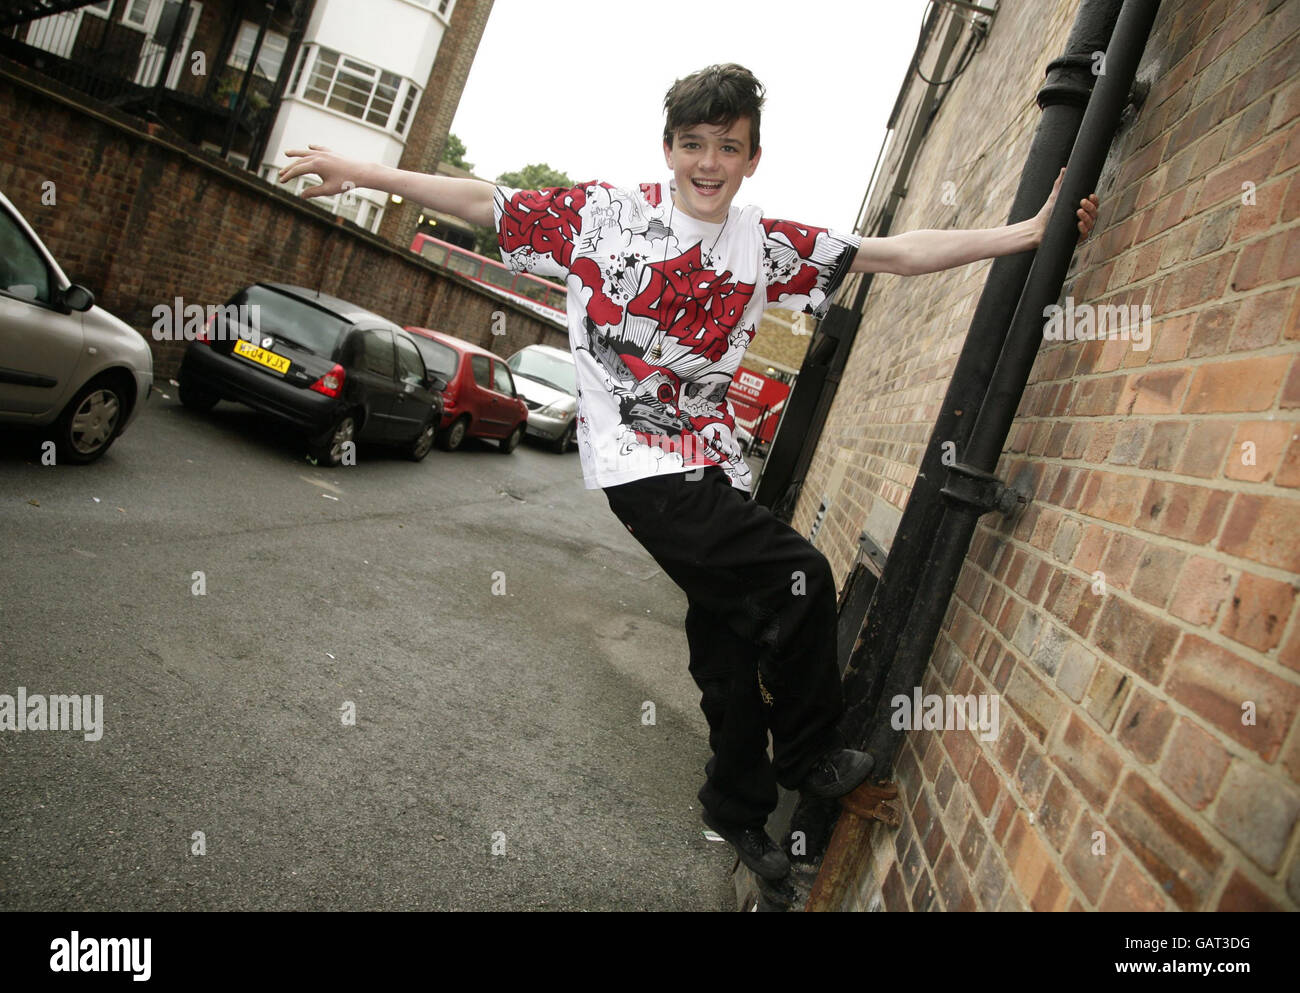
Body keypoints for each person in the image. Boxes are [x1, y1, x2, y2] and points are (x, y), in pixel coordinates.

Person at [279, 63, 1099, 883]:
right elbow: (478, 199)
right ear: (668, 148)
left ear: (753, 157)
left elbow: (899, 252)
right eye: (694, 144)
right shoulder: (605, 217)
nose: (708, 163)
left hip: (715, 468)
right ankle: (810, 757)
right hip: (641, 465)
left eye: (728, 148)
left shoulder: (766, 244)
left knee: (729, 649)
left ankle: (733, 809)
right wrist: (359, 170)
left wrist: (1026, 232)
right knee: (801, 577)